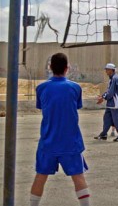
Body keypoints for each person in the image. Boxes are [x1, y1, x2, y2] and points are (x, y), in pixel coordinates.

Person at [30, 53, 89, 206]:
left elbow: (42, 107)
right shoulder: (75, 88)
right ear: (66, 68)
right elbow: (76, 106)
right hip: (70, 142)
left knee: (40, 176)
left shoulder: (41, 88)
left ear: (50, 68)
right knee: (78, 176)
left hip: (48, 141)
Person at [94, 63, 118, 141]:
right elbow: (108, 91)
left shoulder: (115, 78)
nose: (106, 71)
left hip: (115, 103)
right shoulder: (112, 78)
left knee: (117, 120)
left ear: (111, 70)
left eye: (107, 70)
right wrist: (102, 96)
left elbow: (111, 93)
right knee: (106, 118)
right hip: (111, 103)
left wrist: (103, 98)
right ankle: (104, 134)